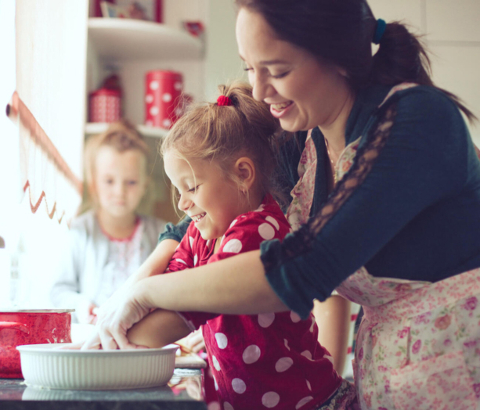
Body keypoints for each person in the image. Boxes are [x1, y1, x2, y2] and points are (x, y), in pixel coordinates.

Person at [84, 1, 480, 409]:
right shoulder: (304, 142)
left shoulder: (417, 121)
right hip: (391, 383)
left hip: (460, 377)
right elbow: (194, 221)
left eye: (277, 71)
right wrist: (131, 291)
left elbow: (301, 266)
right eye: (250, 67)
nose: (258, 91)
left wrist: (148, 292)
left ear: (338, 58)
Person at [125, 82, 358, 410]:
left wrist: (116, 337)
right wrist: (128, 306)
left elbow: (187, 307)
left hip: (311, 404)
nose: (183, 203)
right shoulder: (201, 231)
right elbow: (174, 273)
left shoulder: (257, 233)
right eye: (178, 190)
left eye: (190, 187)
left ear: (243, 174)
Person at [50, 120, 165, 324]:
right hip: (92, 338)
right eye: (109, 181)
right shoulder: (80, 231)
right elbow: (59, 291)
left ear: (144, 185)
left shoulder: (161, 234)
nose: (119, 192)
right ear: (94, 183)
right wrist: (83, 307)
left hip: (143, 339)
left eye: (131, 182)